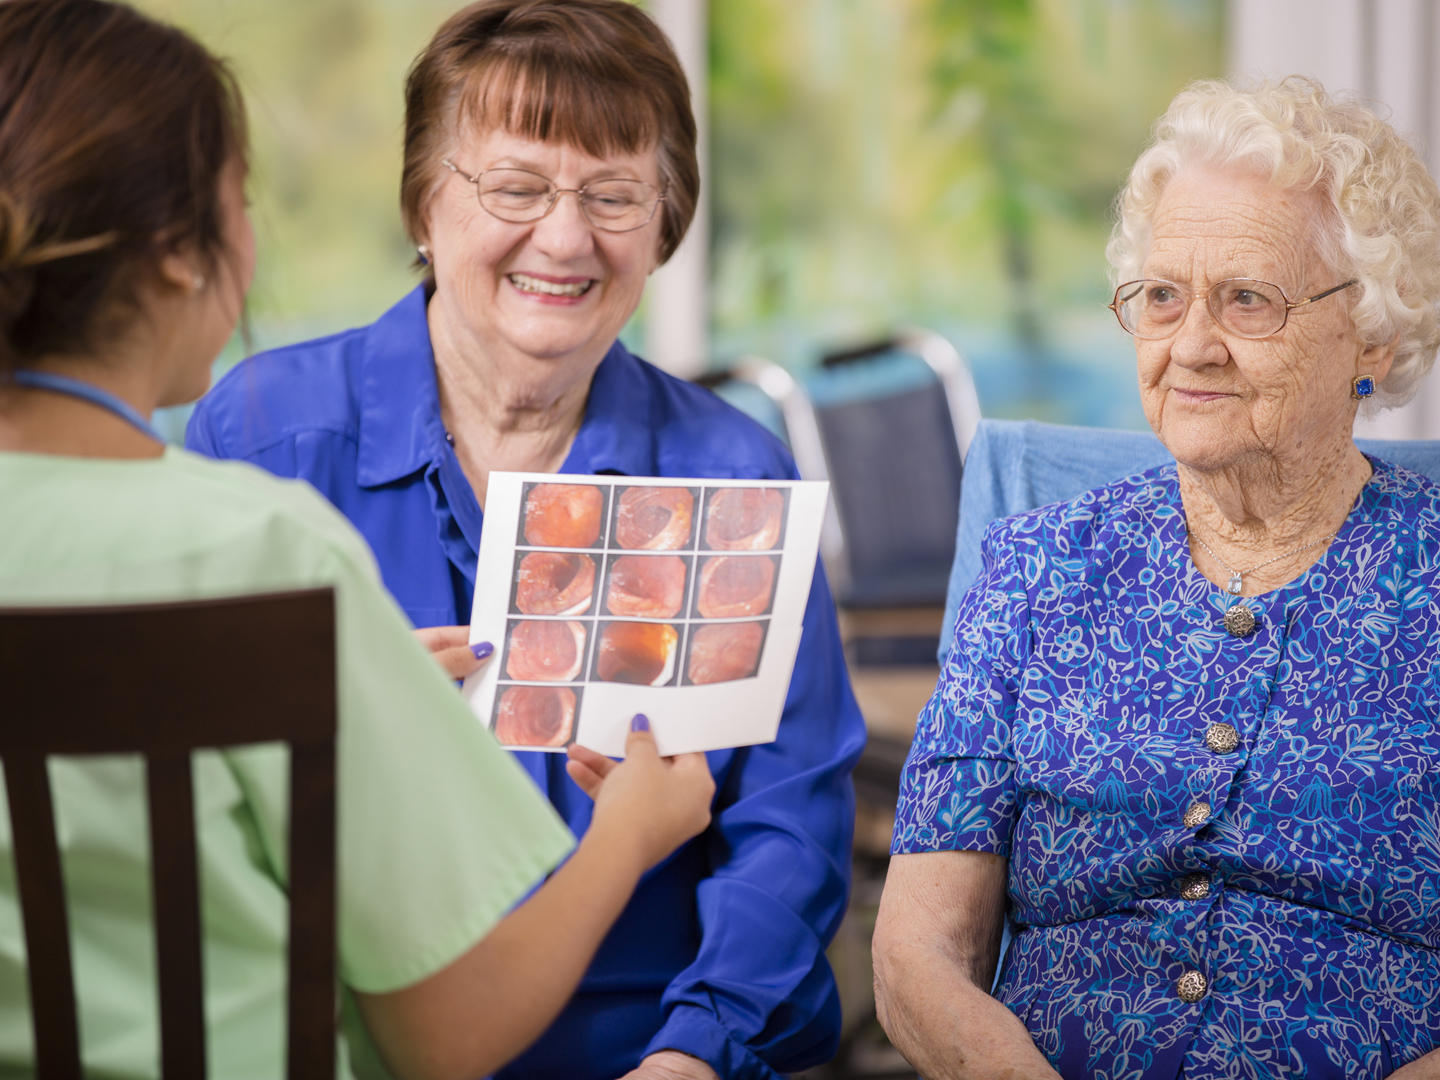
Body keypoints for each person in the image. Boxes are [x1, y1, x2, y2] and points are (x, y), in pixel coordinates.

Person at [0, 3, 716, 1079]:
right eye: (241, 201)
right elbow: (443, 1038)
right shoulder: (271, 553)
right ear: (177, 259)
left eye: (610, 193)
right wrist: (629, 834)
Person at [186, 3, 867, 1079]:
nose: (564, 237)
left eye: (613, 195)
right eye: (515, 187)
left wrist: (695, 1052)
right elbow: (189, 812)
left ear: (664, 221)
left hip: (648, 1041)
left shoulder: (732, 471)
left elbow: (790, 824)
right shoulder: (263, 435)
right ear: (423, 199)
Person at [873, 77, 1440, 1079]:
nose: (1191, 347)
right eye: (1162, 297)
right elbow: (921, 954)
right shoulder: (1036, 572)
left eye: (1248, 300)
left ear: (1372, 337)